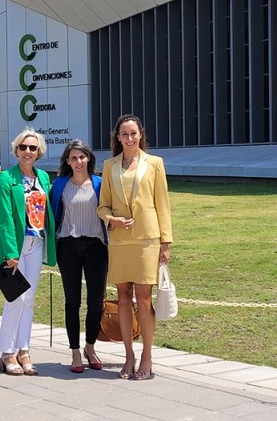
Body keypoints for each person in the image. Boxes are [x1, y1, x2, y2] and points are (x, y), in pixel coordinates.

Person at [97, 114, 173, 381]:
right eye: (124, 134)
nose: (129, 138)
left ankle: (147, 356)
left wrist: (166, 242)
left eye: (133, 133)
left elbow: (162, 203)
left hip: (147, 240)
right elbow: (102, 205)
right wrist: (111, 218)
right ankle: (128, 355)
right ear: (117, 137)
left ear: (141, 135)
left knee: (143, 299)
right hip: (119, 240)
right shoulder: (109, 166)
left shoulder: (155, 163)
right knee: (124, 298)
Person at [0, 128, 56, 376]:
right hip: (17, 247)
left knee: (29, 301)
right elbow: (4, 219)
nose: (28, 152)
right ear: (16, 150)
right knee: (14, 298)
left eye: (33, 148)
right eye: (23, 147)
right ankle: (7, 352)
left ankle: (24, 349)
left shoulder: (43, 178)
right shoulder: (7, 179)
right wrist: (10, 253)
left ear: (39, 152)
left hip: (36, 244)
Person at [50, 140, 108, 374]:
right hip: (68, 246)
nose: (78, 162)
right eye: (73, 158)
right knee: (72, 301)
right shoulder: (60, 185)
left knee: (95, 301)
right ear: (67, 161)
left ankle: (90, 347)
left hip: (96, 247)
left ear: (89, 159)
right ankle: (75, 351)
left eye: (82, 157)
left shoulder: (100, 183)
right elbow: (49, 214)